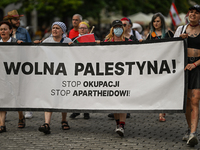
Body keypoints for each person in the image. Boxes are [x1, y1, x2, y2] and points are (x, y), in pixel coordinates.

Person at [38, 22, 72, 134]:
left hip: (64, 73)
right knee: (49, 97)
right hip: (50, 73)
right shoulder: (46, 41)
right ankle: (47, 123)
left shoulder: (67, 41)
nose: (55, 30)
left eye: (57, 28)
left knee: (63, 96)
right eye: (53, 28)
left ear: (62, 31)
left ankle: (64, 120)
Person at [174, 4, 200, 147]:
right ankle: (190, 128)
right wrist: (180, 39)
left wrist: (195, 64)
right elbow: (171, 48)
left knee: (195, 100)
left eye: (196, 13)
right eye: (191, 12)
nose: (193, 14)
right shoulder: (181, 29)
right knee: (187, 101)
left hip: (197, 67)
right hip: (184, 67)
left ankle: (193, 134)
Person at [3, 10, 33, 119]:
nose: (18, 21)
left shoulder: (24, 31)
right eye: (15, 19)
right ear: (10, 21)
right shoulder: (4, 31)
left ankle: (27, 109)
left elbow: (29, 46)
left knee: (23, 87)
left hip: (21, 63)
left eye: (18, 19)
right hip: (7, 65)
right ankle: (3, 112)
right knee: (5, 88)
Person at [104, 20, 131, 137]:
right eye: (116, 27)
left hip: (124, 74)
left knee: (123, 100)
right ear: (112, 29)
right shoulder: (107, 42)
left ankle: (122, 125)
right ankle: (117, 123)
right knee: (115, 101)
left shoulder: (129, 41)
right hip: (111, 75)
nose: (118, 29)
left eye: (120, 27)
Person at [146, 12, 174, 122]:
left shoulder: (169, 34)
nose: (156, 23)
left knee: (165, 87)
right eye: (154, 21)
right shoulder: (150, 35)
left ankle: (162, 111)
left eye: (158, 21)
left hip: (166, 65)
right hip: (154, 65)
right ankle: (160, 109)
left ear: (162, 22)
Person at [0, 21, 23, 133]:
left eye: (5, 29)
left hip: (14, 74)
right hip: (2, 75)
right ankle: (2, 124)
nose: (2, 31)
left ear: (10, 31)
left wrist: (21, 46)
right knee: (2, 98)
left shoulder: (15, 42)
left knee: (16, 97)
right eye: (1, 29)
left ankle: (20, 116)